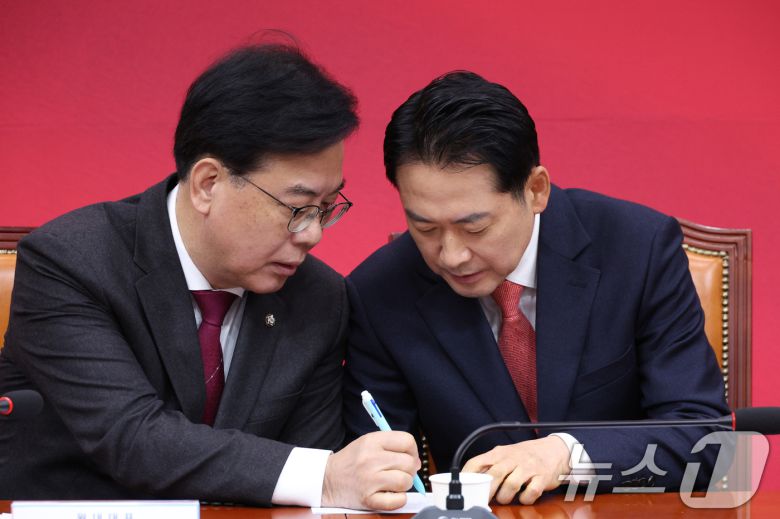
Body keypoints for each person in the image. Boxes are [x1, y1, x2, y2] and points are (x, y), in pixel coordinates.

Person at [0, 44, 419, 509]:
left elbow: (306, 481)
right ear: (208, 184)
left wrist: (327, 478)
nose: (313, 234)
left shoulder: (319, 297)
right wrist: (323, 476)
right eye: (298, 208)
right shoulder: (71, 262)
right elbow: (132, 438)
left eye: (326, 207)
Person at [343, 71, 730, 504]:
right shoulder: (379, 292)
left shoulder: (636, 249)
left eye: (475, 227)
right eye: (425, 227)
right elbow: (372, 471)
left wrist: (566, 453)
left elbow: (706, 440)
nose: (451, 255)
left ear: (535, 190)